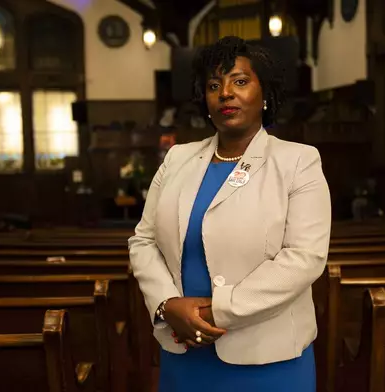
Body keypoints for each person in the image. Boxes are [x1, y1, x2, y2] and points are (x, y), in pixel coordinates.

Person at [128, 36, 331, 392]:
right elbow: (143, 240)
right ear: (204, 100)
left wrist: (211, 314)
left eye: (239, 81)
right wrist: (167, 304)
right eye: (213, 85)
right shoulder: (177, 159)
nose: (225, 92)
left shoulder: (299, 161)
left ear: (264, 94)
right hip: (184, 351)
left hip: (268, 356)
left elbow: (304, 258)